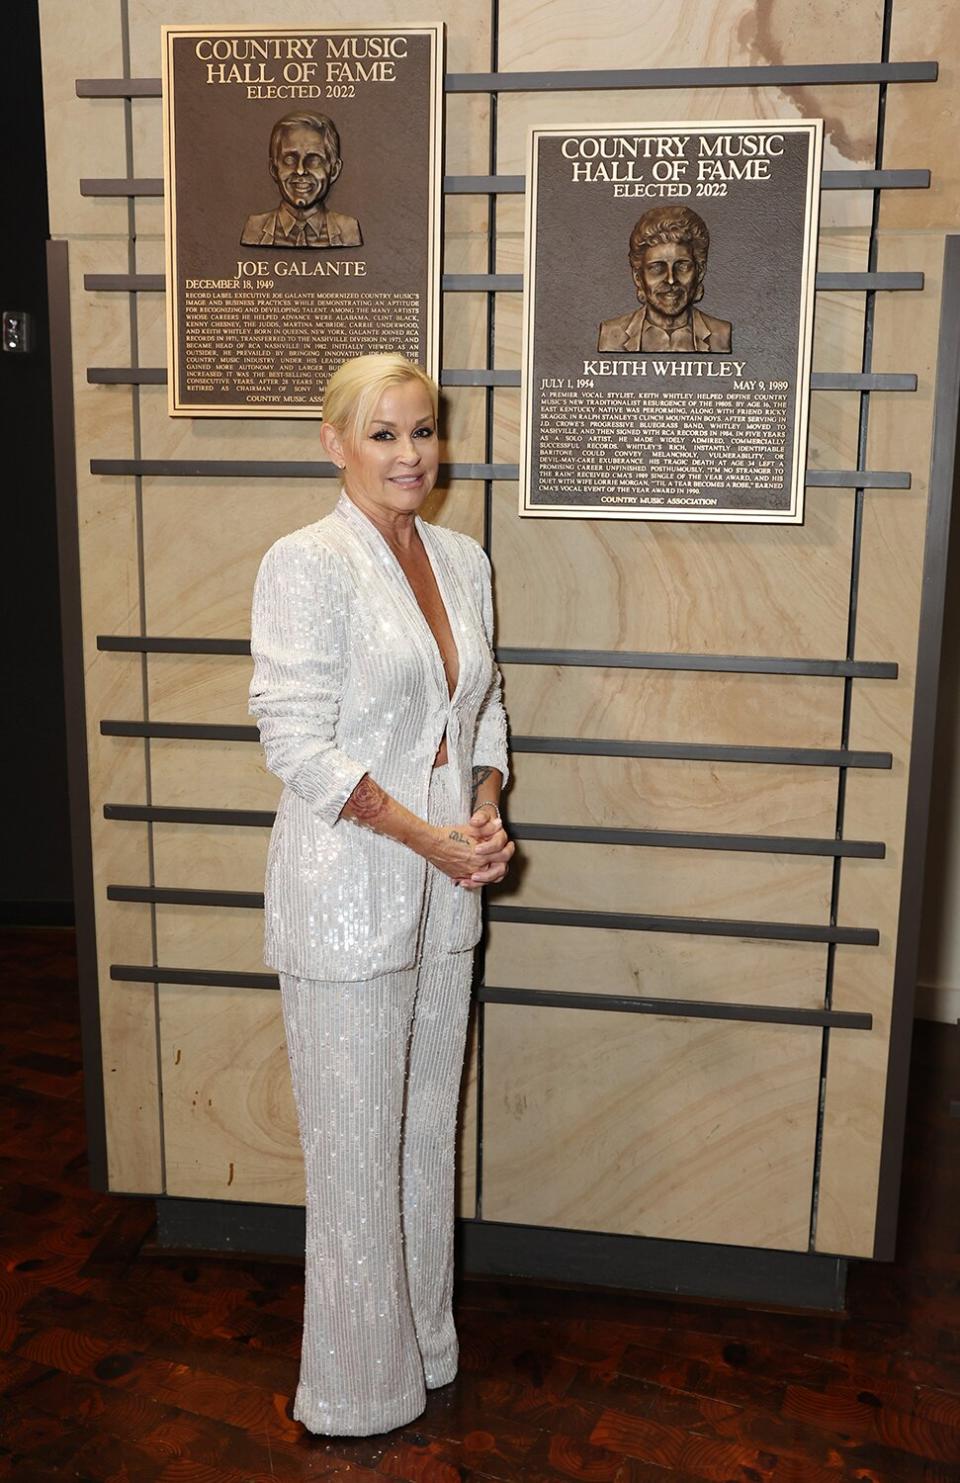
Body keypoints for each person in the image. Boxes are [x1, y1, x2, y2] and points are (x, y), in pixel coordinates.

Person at [248, 352, 513, 1437]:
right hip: (346, 895)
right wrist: (427, 837)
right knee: (355, 1154)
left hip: (448, 896)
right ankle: (356, 1389)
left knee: (421, 1138)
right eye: (385, 435)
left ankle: (423, 1346)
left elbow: (484, 711)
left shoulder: (462, 557)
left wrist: (485, 811)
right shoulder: (305, 563)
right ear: (336, 443)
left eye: (423, 432)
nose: (411, 456)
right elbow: (295, 744)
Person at [597, 203, 732, 353]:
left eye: (682, 266)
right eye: (657, 268)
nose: (671, 280)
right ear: (638, 277)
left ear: (699, 272)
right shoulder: (611, 334)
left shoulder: (720, 333)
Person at [241, 111, 362, 248]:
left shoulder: (348, 230)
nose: (300, 170)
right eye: (290, 159)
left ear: (334, 170)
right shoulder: (254, 229)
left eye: (314, 160)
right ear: (274, 169)